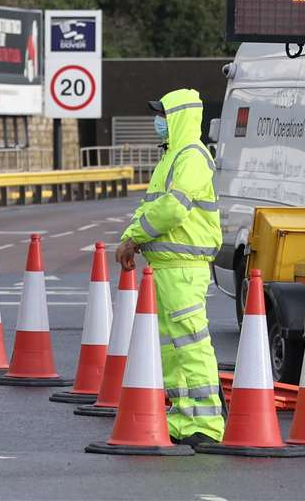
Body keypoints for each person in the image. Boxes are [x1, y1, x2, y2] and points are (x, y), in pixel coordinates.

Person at [115, 88, 223, 446]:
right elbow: (154, 207)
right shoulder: (172, 157)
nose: (157, 121)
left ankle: (205, 426)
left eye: (162, 113)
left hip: (183, 266)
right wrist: (135, 235)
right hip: (166, 267)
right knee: (174, 348)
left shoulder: (191, 155)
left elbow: (174, 208)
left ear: (178, 117)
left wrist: (133, 237)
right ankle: (182, 419)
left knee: (190, 344)